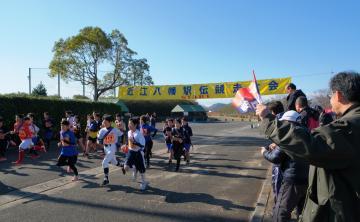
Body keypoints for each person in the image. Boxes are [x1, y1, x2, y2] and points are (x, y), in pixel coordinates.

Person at [256, 71, 360, 221]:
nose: (330, 100)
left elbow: (310, 144)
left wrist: (269, 120)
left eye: (330, 96)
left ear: (338, 95)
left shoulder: (350, 126)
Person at [261, 110, 309, 221]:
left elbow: (275, 158)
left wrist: (264, 152)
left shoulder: (288, 136)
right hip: (307, 178)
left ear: (288, 122)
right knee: (302, 210)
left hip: (292, 180)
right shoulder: (306, 132)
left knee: (280, 213)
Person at [121, 117, 148, 190]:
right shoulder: (129, 132)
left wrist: (135, 143)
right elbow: (128, 140)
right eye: (128, 124)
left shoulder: (139, 134)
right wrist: (125, 145)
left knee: (141, 170)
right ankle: (134, 169)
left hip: (138, 153)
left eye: (131, 124)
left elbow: (143, 145)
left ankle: (144, 182)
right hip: (130, 152)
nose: (129, 125)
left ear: (135, 125)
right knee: (125, 168)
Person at [97, 115, 122, 186]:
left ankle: (106, 178)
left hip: (112, 148)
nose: (104, 122)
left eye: (105, 121)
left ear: (110, 122)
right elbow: (99, 139)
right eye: (103, 121)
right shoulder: (102, 130)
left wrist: (120, 127)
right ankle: (123, 166)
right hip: (105, 148)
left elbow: (121, 133)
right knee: (114, 162)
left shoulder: (115, 129)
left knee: (104, 163)